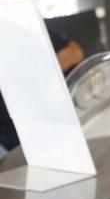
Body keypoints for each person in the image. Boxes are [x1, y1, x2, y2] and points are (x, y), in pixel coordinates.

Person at [0, 24, 84, 159]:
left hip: (41, 120)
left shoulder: (17, 26)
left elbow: (74, 52)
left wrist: (40, 76)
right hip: (8, 137)